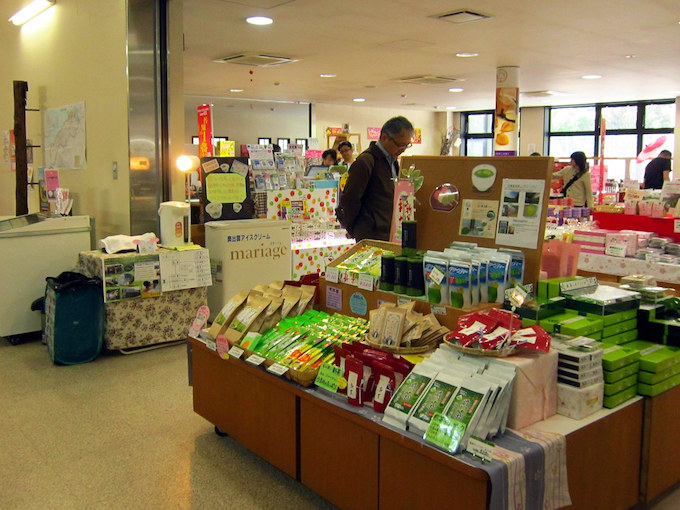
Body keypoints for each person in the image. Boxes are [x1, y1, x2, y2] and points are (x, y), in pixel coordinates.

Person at [336, 116, 415, 241]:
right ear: (384, 137)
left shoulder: (393, 162)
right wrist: (352, 228)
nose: (403, 150)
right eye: (400, 145)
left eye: (407, 145)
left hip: (390, 232)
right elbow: (350, 199)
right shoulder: (366, 162)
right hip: (371, 234)